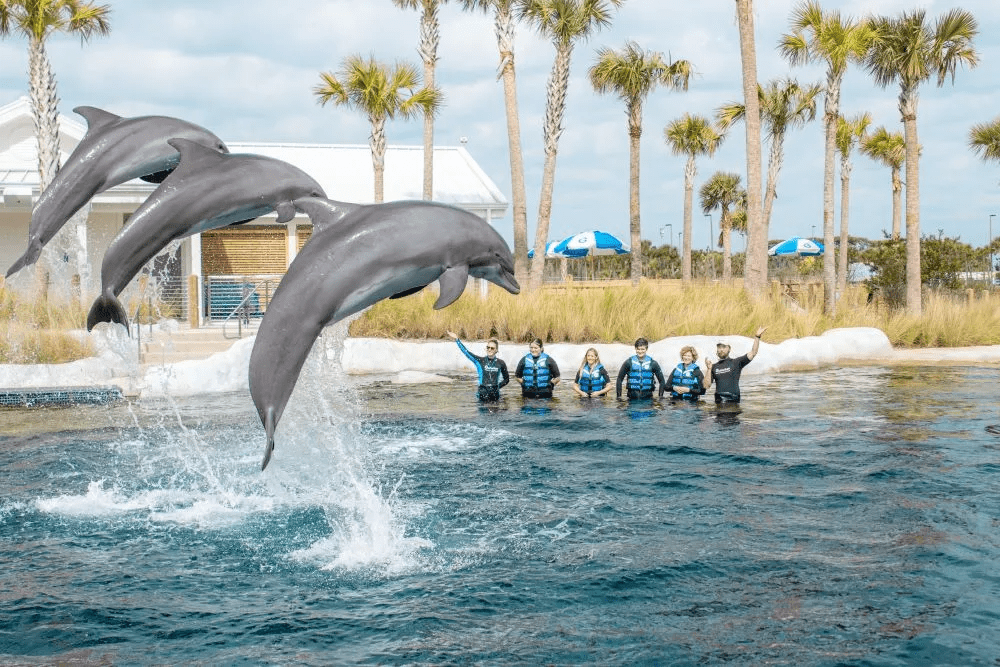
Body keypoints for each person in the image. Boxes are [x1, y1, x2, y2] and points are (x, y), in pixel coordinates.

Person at [705, 325, 768, 404]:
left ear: (729, 349)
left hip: (733, 400)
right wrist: (709, 369)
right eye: (719, 347)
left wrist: (757, 337)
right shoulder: (713, 366)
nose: (721, 349)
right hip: (719, 401)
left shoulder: (736, 362)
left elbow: (753, 353)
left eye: (724, 347)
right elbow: (706, 386)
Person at [447, 331, 509, 402]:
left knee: (496, 411)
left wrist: (497, 387)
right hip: (483, 393)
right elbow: (466, 352)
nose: (489, 349)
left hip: (495, 395)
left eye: (492, 348)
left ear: (496, 350)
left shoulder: (501, 363)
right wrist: (457, 339)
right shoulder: (480, 361)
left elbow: (506, 380)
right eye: (488, 347)